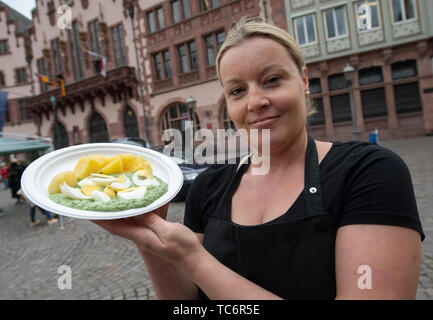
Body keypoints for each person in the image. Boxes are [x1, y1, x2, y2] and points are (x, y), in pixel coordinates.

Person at [92, 16, 425, 300]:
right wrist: (151, 240)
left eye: (272, 80)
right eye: (237, 91)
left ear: (304, 80)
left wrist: (193, 259)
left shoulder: (369, 172)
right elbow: (186, 300)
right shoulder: (209, 186)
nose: (255, 101)